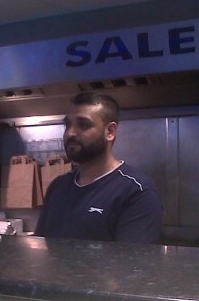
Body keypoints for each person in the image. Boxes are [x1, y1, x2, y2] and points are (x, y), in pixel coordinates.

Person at [34, 91, 163, 243]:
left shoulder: (136, 192)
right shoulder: (58, 186)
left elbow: (130, 264)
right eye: (68, 125)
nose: (70, 133)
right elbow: (41, 246)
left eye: (83, 124)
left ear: (110, 132)